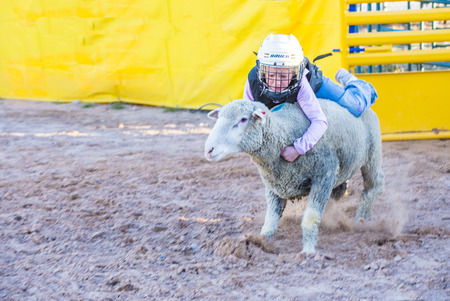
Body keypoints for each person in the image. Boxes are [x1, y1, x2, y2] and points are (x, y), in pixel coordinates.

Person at [243, 33, 378, 162]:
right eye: (271, 75)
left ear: (295, 73)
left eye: (283, 76)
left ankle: (353, 83)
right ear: (261, 71)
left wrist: (298, 149)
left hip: (315, 86)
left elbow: (320, 122)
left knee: (356, 107)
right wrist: (256, 152)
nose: (276, 83)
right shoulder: (253, 82)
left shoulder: (301, 82)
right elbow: (249, 122)